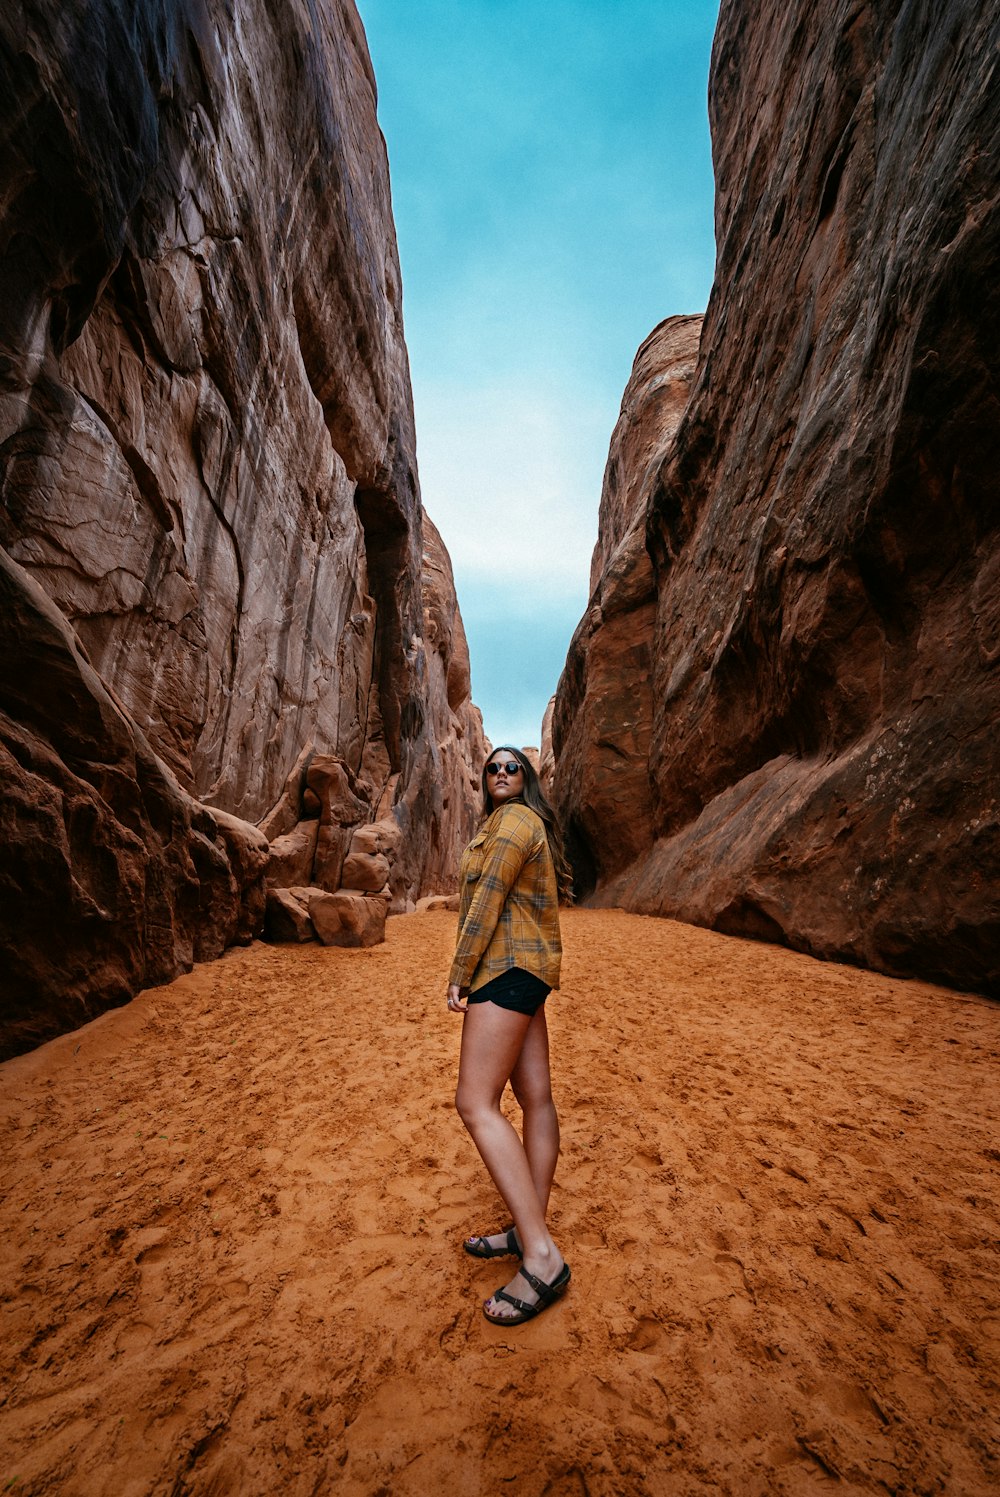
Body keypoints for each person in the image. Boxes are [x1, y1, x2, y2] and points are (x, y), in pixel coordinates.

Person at [446, 745, 572, 1324]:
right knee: (535, 1098)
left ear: (527, 779)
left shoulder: (512, 824)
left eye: (511, 766)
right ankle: (530, 1232)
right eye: (492, 768)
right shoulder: (521, 824)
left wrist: (459, 973)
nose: (500, 772)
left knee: (474, 1102)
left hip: (504, 969)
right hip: (530, 971)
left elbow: (484, 907)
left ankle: (542, 1256)